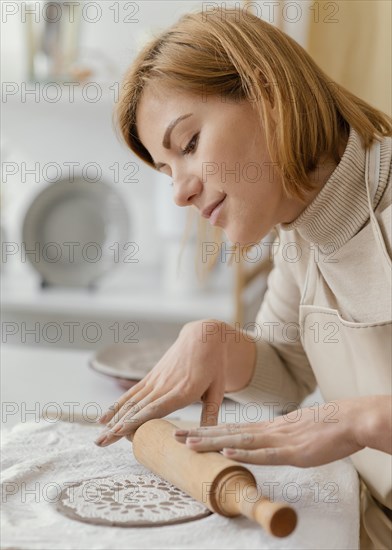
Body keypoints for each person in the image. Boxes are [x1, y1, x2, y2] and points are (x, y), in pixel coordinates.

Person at [94, 7, 392, 548]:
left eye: (189, 145)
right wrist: (215, 343)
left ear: (267, 94)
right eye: (167, 171)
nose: (180, 192)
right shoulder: (299, 230)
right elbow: (289, 368)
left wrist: (362, 421)